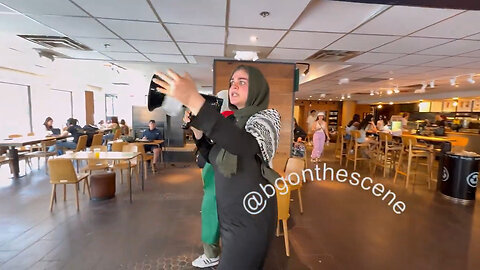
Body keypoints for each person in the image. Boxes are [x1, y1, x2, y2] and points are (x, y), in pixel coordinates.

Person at [156, 65, 280, 269]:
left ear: (258, 88)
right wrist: (198, 133)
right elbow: (212, 157)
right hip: (230, 218)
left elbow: (243, 145)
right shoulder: (232, 121)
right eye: (232, 82)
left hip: (252, 215)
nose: (234, 86)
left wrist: (195, 101)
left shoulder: (268, 117)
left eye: (242, 82)